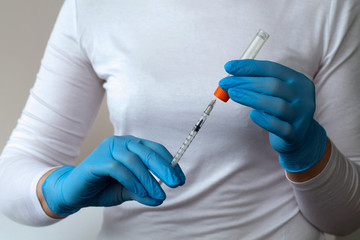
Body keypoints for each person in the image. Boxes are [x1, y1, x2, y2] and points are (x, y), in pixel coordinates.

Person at [0, 0, 359, 239]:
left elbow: (346, 219)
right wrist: (57, 189)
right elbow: (13, 173)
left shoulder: (327, 6)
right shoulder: (94, 7)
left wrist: (310, 152)